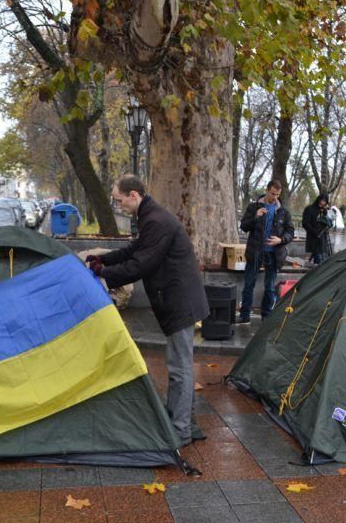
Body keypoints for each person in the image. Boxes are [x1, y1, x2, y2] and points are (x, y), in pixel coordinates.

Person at [86, 175, 209, 446]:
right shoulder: (150, 216)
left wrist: (104, 274)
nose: (119, 206)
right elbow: (135, 249)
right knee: (182, 365)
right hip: (179, 298)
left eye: (119, 200)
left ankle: (180, 431)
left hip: (180, 300)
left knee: (180, 367)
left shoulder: (155, 220)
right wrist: (102, 259)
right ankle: (188, 424)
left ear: (134, 195)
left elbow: (141, 264)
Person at [238, 180, 295, 324]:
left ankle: (266, 317)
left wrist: (280, 240)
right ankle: (244, 315)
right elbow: (244, 226)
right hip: (255, 252)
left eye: (277, 194)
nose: (275, 197)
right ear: (267, 190)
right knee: (249, 284)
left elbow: (290, 231)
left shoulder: (283, 211)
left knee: (269, 287)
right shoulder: (253, 207)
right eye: (272, 193)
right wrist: (256, 217)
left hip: (274, 254)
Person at [302, 194, 331, 264]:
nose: (322, 203)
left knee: (322, 260)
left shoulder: (325, 211)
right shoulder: (309, 209)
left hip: (322, 239)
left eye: (325, 201)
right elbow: (305, 223)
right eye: (322, 200)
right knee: (318, 259)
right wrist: (314, 232)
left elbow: (327, 224)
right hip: (313, 238)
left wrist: (326, 213)